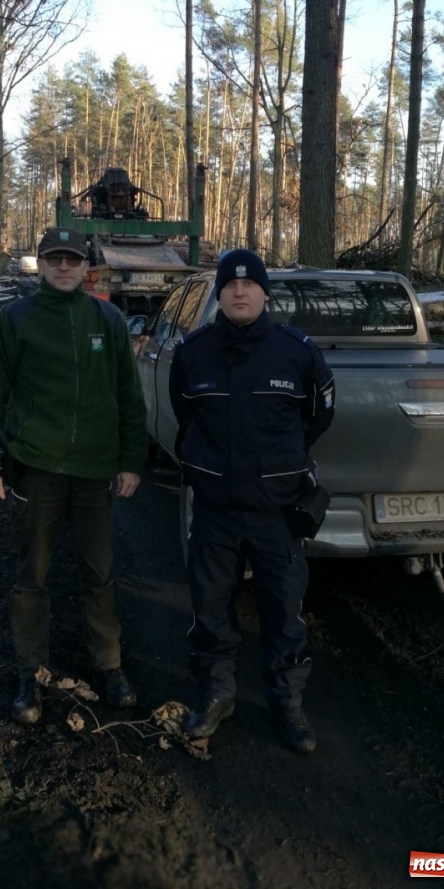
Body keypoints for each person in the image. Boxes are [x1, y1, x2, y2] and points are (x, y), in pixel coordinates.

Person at [0, 226, 148, 726]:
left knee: (99, 573)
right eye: (54, 260)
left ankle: (109, 665)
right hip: (35, 469)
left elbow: (130, 398)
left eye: (72, 260)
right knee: (32, 576)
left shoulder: (107, 320)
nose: (64, 268)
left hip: (94, 473)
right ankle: (31, 674)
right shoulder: (15, 320)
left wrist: (132, 460)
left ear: (86, 267)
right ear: (41, 265)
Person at [169, 249, 335, 753]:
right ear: (219, 293)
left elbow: (318, 417)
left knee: (284, 613)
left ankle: (287, 703)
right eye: (230, 285)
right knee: (210, 608)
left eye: (250, 284)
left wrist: (280, 465)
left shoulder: (296, 353)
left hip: (276, 513)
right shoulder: (193, 353)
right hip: (216, 512)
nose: (240, 292)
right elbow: (185, 414)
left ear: (265, 292)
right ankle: (218, 694)